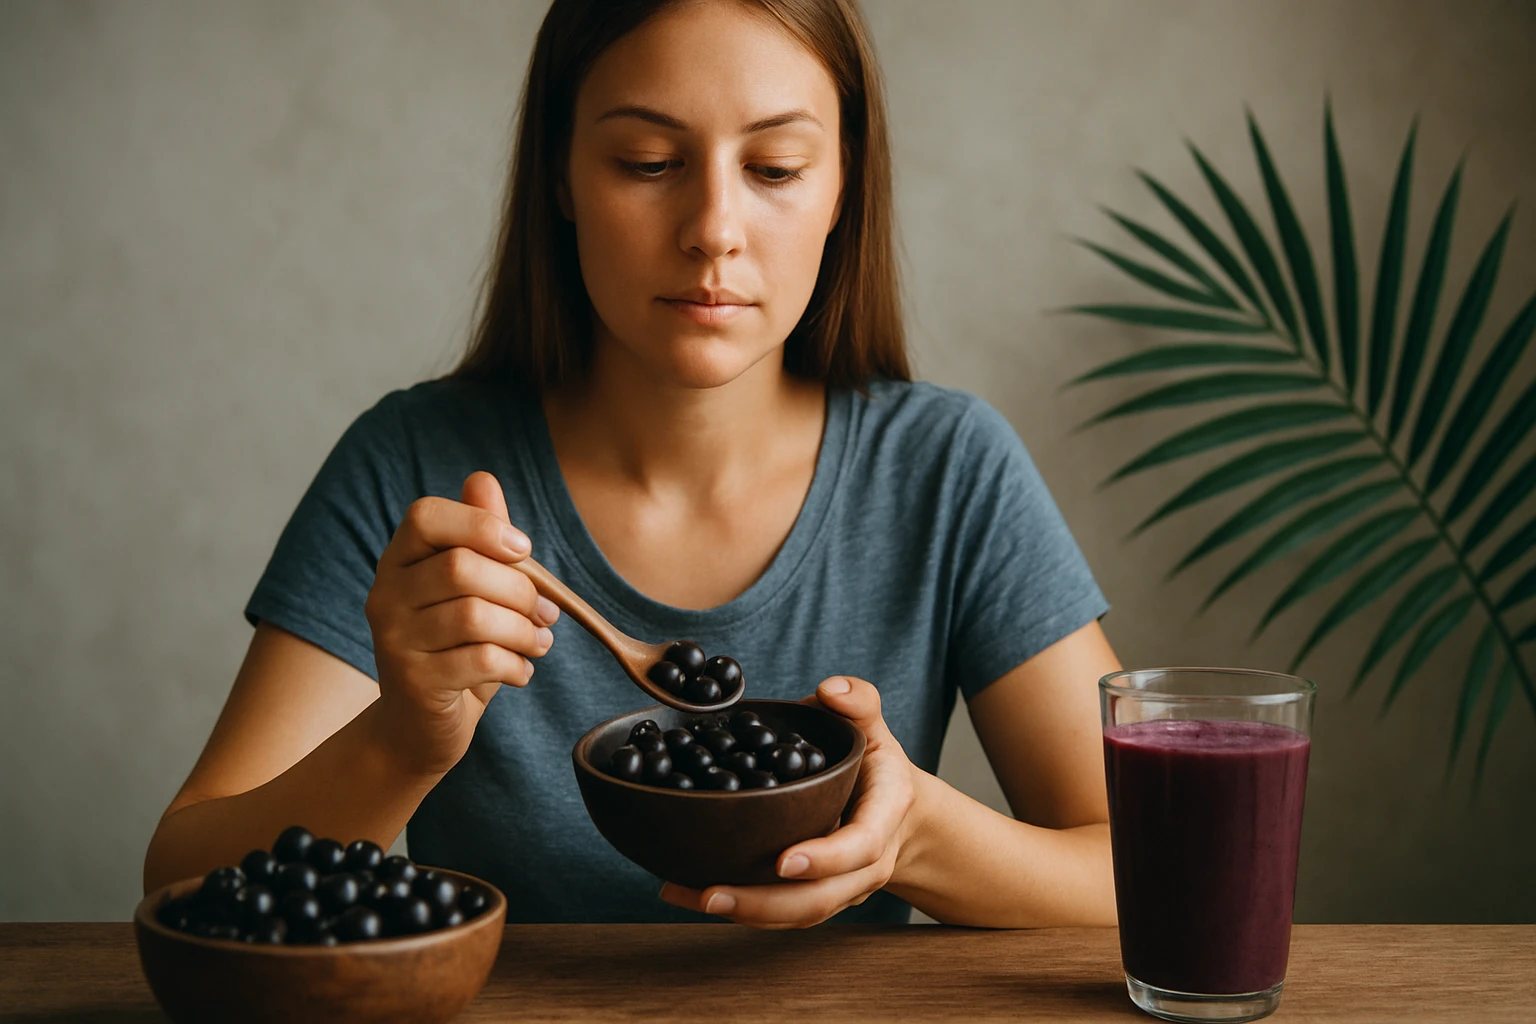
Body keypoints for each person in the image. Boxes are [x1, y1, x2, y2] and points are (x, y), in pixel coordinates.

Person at [143, 0, 1121, 929]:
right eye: (649, 161)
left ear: (844, 187)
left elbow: (1151, 865)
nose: (714, 230)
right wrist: (401, 740)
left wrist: (916, 838)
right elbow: (184, 881)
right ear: (561, 175)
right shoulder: (416, 467)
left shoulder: (948, 470)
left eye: (775, 168)